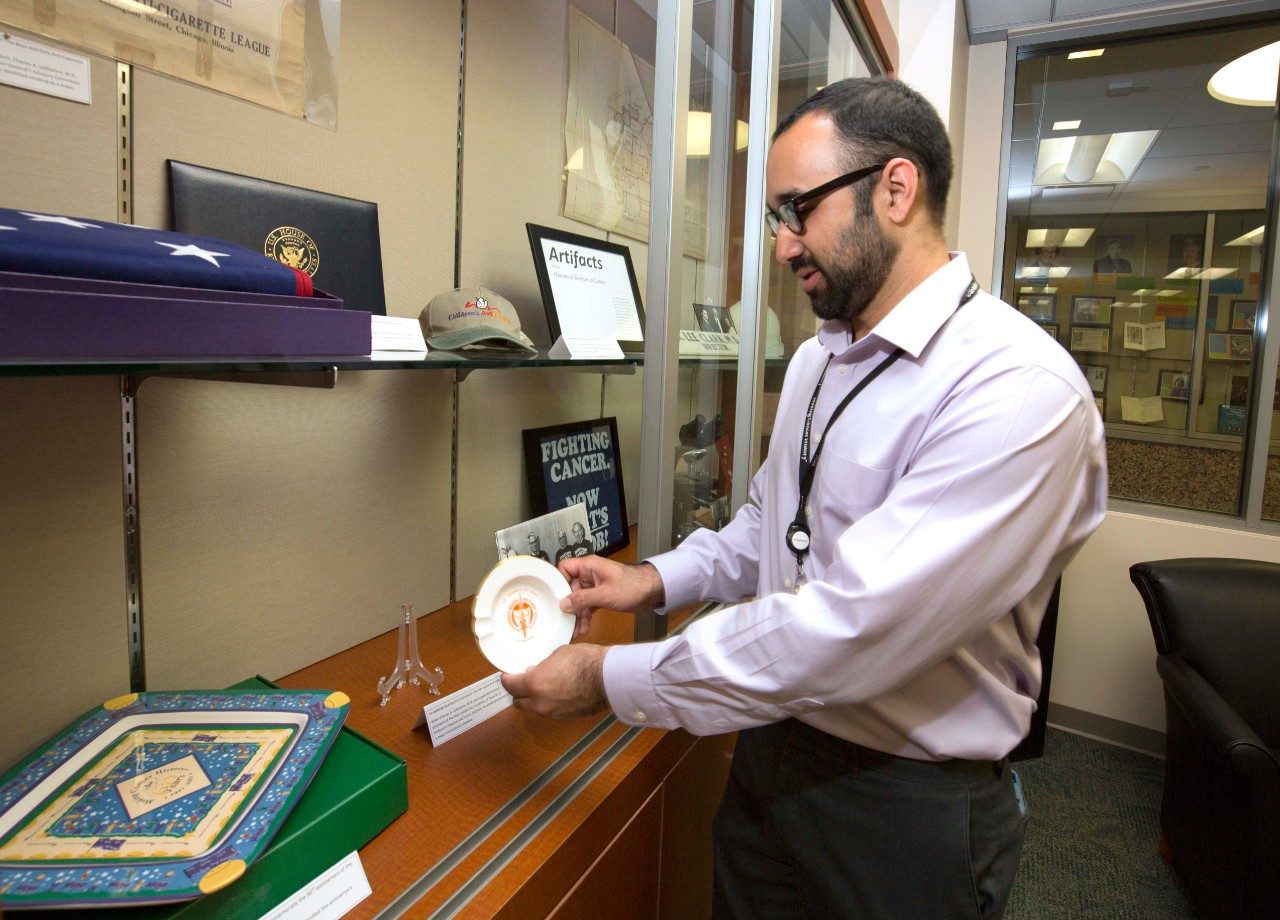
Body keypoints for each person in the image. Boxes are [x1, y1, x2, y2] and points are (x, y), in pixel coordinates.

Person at [502, 77, 1107, 919]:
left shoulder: (1018, 390)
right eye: (774, 218)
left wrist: (610, 678)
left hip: (902, 803)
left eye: (798, 210)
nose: (784, 246)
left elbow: (853, 627)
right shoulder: (822, 357)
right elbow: (773, 520)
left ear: (896, 189)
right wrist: (655, 579)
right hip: (770, 751)